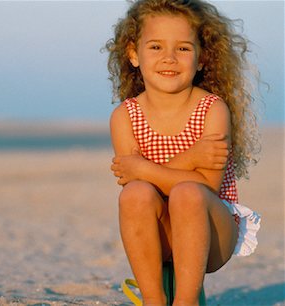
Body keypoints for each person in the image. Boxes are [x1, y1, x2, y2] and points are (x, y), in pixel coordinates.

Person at [106, 0, 261, 305]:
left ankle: (186, 301)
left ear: (202, 58)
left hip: (211, 233)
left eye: (183, 49)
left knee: (188, 193)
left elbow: (207, 187)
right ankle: (154, 299)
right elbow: (136, 185)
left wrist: (144, 168)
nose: (169, 58)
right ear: (133, 54)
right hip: (158, 233)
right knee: (135, 194)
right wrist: (191, 158)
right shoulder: (125, 116)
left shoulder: (212, 110)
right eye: (155, 47)